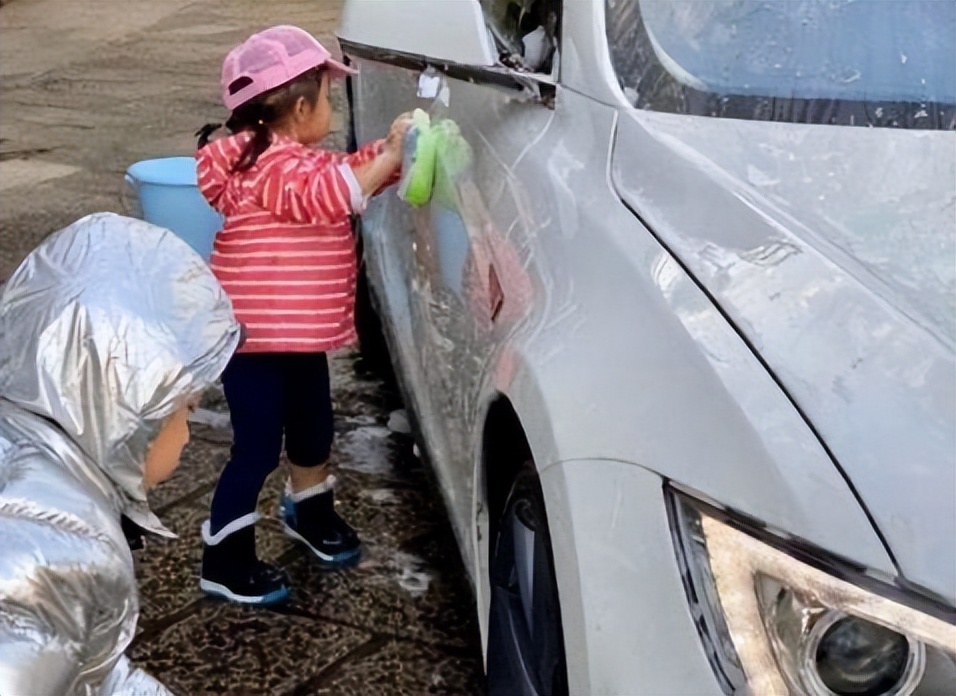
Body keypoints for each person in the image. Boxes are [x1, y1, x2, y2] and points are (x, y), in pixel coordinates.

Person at [194, 25, 409, 605]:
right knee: (257, 447)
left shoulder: (291, 161)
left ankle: (308, 512)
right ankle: (224, 556)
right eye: (328, 98)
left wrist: (392, 157)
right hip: (255, 344)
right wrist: (387, 156)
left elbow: (338, 177)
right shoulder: (269, 169)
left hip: (300, 338)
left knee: (313, 433)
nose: (331, 111)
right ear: (299, 105)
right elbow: (332, 192)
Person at [0, 212, 241, 695]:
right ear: (130, 410)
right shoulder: (65, 562)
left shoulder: (26, 450)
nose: (189, 435)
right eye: (186, 410)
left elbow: (90, 672)